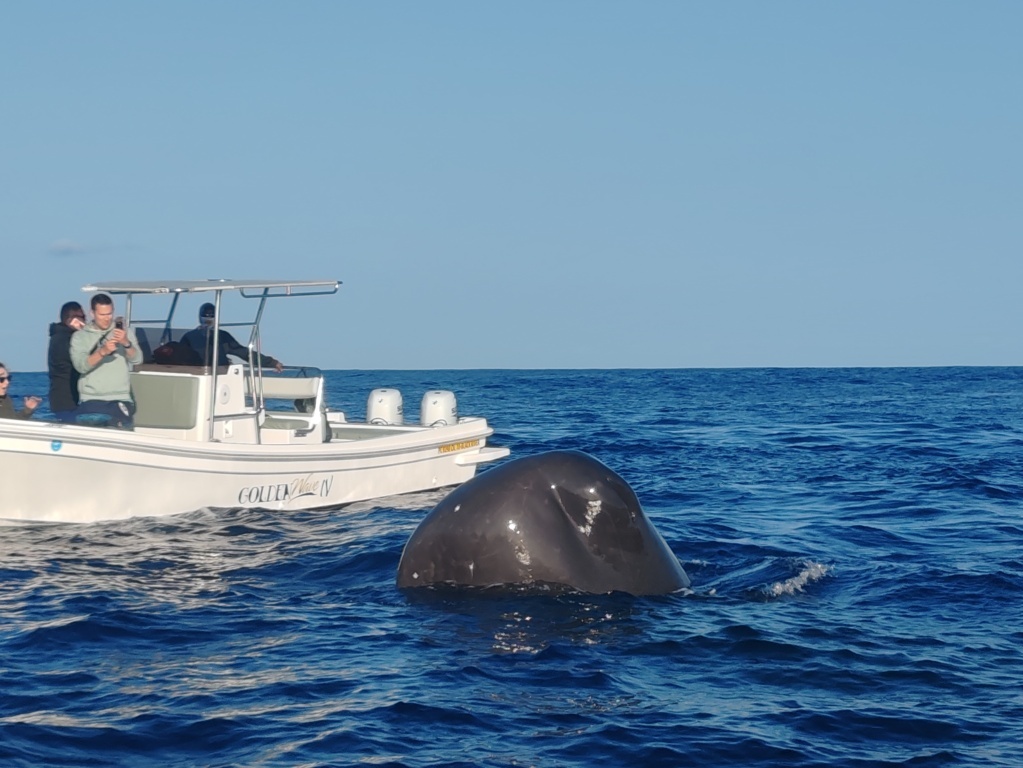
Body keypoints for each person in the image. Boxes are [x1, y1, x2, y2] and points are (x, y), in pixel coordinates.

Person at [69, 293, 143, 428]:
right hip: (91, 399)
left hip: (120, 398)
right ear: (92, 313)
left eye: (109, 314)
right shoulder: (80, 337)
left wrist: (126, 343)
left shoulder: (124, 332)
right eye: (102, 315)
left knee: (121, 438)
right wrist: (102, 352)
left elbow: (137, 359)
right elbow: (81, 366)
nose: (107, 319)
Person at [181, 303, 284, 372]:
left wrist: (270, 362)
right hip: (221, 376)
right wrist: (271, 362)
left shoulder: (189, 337)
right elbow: (244, 353)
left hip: (196, 375)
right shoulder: (222, 336)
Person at [47, 301, 87, 422]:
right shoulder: (65, 339)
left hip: (65, 397)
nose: (86, 321)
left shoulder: (60, 336)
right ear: (72, 320)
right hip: (65, 399)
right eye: (83, 317)